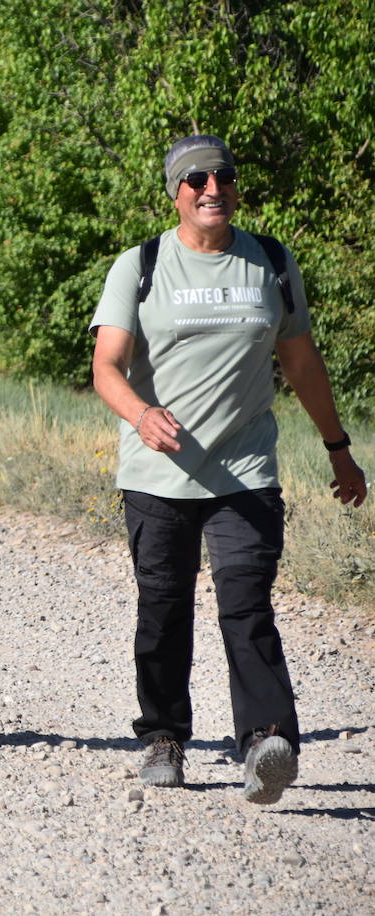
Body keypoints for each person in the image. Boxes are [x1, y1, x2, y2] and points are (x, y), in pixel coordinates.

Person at [90, 135, 367, 805]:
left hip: (245, 470)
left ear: (236, 186)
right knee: (163, 609)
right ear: (175, 193)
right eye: (194, 181)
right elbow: (106, 366)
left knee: (246, 606)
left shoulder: (270, 262)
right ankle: (162, 738)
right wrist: (141, 414)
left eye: (222, 176)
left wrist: (337, 446)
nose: (210, 188)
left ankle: (266, 743)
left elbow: (300, 362)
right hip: (158, 477)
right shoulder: (143, 265)